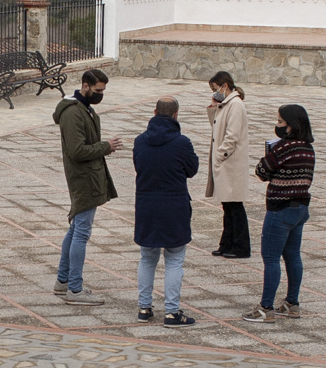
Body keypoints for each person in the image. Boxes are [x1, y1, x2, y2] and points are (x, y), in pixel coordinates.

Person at [53, 68, 121, 305]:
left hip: (88, 176)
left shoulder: (85, 109)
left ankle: (63, 281)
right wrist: (105, 147)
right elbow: (77, 150)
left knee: (75, 230)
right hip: (83, 178)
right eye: (98, 90)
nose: (100, 94)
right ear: (85, 85)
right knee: (81, 231)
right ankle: (74, 288)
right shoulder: (73, 113)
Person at [243, 103, 315, 324]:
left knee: (271, 258)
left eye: (281, 122)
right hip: (300, 207)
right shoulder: (307, 148)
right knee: (293, 255)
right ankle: (292, 303)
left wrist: (270, 153)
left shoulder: (283, 148)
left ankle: (266, 307)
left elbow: (261, 171)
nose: (278, 126)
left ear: (291, 126)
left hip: (280, 209)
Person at [132, 95, 199, 327]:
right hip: (174, 206)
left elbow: (139, 166)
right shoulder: (182, 143)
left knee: (147, 256)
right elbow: (192, 170)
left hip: (146, 204)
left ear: (154, 112)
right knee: (174, 259)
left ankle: (144, 307)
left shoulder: (140, 141)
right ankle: (171, 312)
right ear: (175, 115)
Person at [205, 71, 251, 258]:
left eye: (216, 89)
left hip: (230, 163)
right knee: (228, 207)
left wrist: (220, 155)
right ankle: (226, 243)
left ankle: (240, 246)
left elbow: (231, 135)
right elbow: (216, 125)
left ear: (225, 86)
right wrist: (214, 106)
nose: (215, 93)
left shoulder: (236, 105)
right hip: (225, 162)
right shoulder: (226, 104)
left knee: (235, 207)